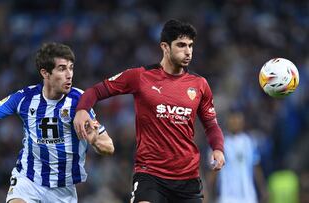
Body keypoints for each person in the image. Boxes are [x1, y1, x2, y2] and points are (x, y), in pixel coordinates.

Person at [73, 19, 225, 203]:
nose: (188, 51)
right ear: (165, 47)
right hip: (150, 175)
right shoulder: (140, 76)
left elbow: (210, 124)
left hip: (188, 178)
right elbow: (95, 91)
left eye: (191, 46)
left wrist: (218, 149)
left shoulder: (200, 84)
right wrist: (82, 109)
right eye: (181, 45)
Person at [0, 42, 114, 203]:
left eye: (71, 68)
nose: (69, 74)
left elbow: (109, 147)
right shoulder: (24, 98)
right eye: (62, 69)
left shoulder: (80, 101)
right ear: (45, 73)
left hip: (63, 189)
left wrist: (95, 140)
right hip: (28, 181)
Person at [206, 110, 267, 203]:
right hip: (227, 197)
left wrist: (263, 189)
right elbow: (214, 171)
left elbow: (256, 167)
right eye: (232, 120)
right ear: (228, 122)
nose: (235, 122)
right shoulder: (220, 144)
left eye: (237, 119)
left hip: (248, 196)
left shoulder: (250, 142)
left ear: (242, 122)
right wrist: (207, 191)